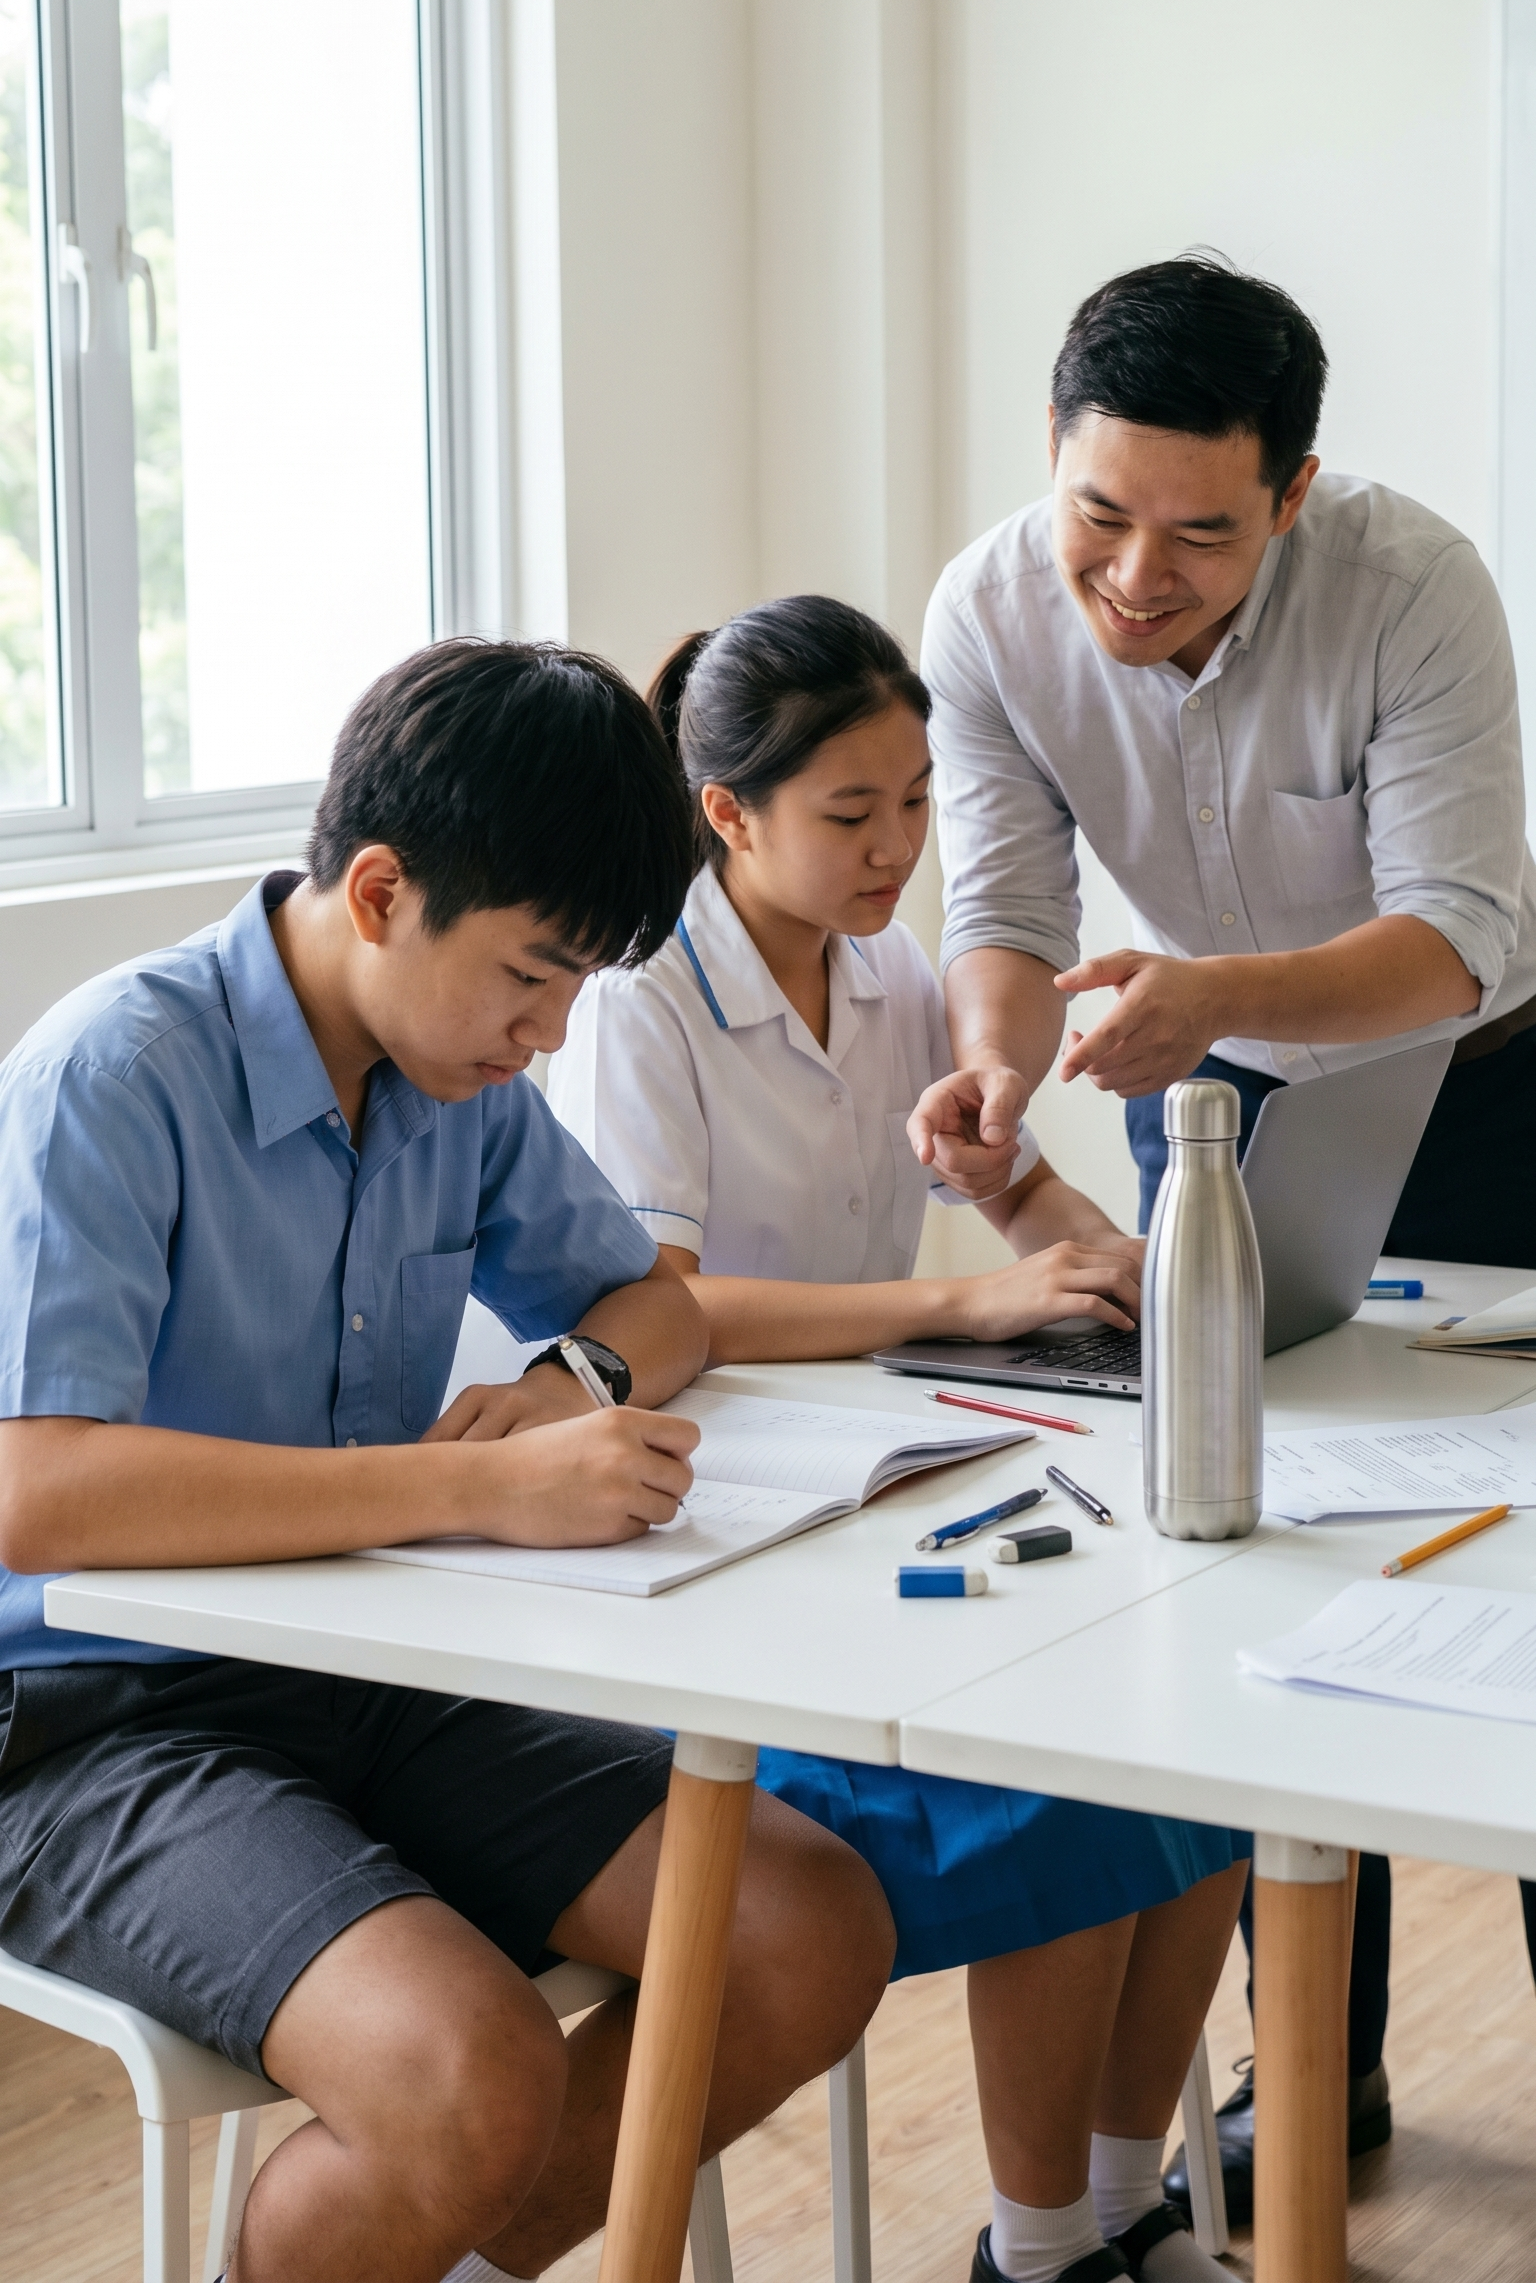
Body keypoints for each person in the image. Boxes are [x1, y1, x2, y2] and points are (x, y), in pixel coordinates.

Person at [0, 638, 896, 2283]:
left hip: (377, 1661)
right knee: (469, 2069)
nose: (547, 1039)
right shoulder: (113, 1079)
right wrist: (473, 1486)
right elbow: (39, 1496)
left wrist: (578, 1383)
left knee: (800, 1933)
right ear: (380, 890)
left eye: (576, 993)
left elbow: (653, 1303)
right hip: (97, 1722)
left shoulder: (452, 1076)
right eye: (530, 978)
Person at [909, 251, 1536, 2221]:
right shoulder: (989, 605)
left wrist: (1210, 989)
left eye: (1199, 531)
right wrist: (1001, 1076)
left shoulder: (1412, 583)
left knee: (1513, 1581)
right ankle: (1315, 2072)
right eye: (1101, 513)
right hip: (1209, 1082)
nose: (1134, 575)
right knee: (1258, 1553)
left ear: (1295, 488)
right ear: (1049, 455)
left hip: (1483, 1068)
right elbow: (1001, 910)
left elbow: (1465, 928)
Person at [548, 596, 1250, 2283]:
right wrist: (966, 1311)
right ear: (727, 814)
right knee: (1070, 1786)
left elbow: (1005, 1185)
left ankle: (1109, 2206)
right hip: (687, 1549)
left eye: (918, 803)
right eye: (850, 814)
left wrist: (1121, 1269)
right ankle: (1038, 2248)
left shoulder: (898, 976)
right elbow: (673, 1314)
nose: (897, 849)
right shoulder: (639, 997)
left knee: (1208, 1772)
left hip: (861, 1498)